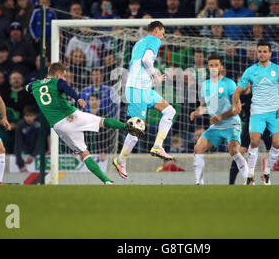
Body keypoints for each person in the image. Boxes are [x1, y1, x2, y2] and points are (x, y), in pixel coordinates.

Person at [26, 62, 143, 184]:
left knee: (84, 154)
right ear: (57, 74)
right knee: (102, 121)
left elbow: (27, 87)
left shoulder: (35, 85)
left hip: (58, 126)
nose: (64, 79)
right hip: (71, 116)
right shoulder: (57, 82)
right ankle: (127, 127)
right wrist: (77, 98)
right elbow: (66, 88)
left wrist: (36, 84)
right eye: (63, 76)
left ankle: (107, 181)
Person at [113, 21, 177, 179]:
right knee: (137, 128)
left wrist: (153, 77)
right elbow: (146, 60)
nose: (162, 38)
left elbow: (141, 64)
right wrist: (155, 75)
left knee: (170, 110)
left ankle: (157, 146)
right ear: (156, 30)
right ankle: (120, 160)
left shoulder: (139, 43)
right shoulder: (153, 40)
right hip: (137, 89)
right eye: (162, 34)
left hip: (144, 89)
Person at [232, 39, 279, 185]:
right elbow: (236, 93)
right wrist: (238, 103)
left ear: (270, 53)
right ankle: (250, 175)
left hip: (274, 113)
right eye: (259, 51)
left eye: (265, 51)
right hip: (257, 112)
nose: (262, 54)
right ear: (257, 53)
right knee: (254, 141)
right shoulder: (250, 71)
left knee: (277, 144)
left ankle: (266, 173)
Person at [190, 54, 248, 185]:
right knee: (198, 149)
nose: (214, 68)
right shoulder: (205, 85)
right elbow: (204, 106)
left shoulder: (230, 84)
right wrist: (197, 111)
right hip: (216, 127)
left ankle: (249, 179)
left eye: (216, 65)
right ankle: (199, 183)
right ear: (208, 67)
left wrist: (221, 117)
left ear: (221, 67)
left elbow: (237, 108)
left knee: (233, 151)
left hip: (231, 124)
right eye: (211, 65)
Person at [14, 105, 42, 172]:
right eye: (26, 116)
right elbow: (17, 143)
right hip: (24, 153)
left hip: (35, 153)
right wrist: (20, 164)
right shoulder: (20, 125)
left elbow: (39, 142)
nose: (29, 118)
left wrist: (33, 155)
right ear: (24, 116)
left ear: (35, 116)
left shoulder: (38, 125)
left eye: (31, 116)